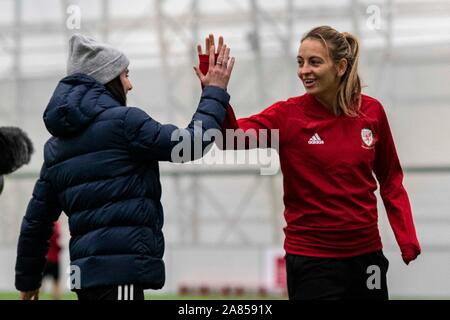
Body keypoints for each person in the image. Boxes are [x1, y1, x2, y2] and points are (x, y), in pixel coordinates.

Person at [196, 28, 421, 300]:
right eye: (300, 62)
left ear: (340, 66)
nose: (304, 71)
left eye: (314, 62)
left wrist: (406, 237)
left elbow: (390, 179)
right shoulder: (287, 116)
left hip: (367, 259)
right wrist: (214, 92)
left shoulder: (372, 113)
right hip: (313, 261)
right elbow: (230, 140)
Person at [15, 33, 235, 300]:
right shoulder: (125, 123)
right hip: (121, 278)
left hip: (86, 279)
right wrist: (215, 91)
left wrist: (28, 281)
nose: (130, 85)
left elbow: (36, 222)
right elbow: (190, 144)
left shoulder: (56, 146)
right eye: (125, 74)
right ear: (108, 79)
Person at [41, 221, 62, 300]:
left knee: (40, 282)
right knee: (56, 282)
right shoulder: (54, 224)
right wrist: (59, 248)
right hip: (53, 258)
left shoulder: (43, 223)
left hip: (46, 258)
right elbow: (55, 237)